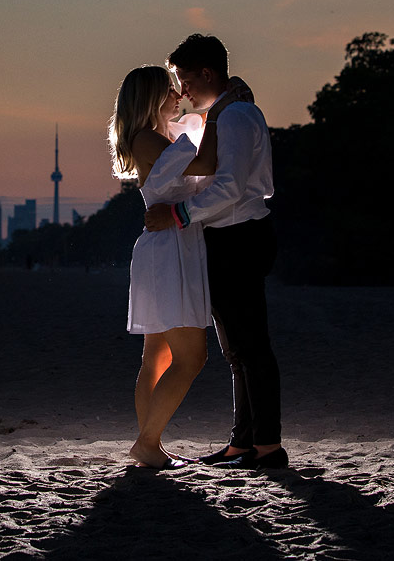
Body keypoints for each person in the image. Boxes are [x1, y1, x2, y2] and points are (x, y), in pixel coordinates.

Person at [144, 34, 285, 471]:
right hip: (225, 238)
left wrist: (178, 214)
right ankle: (243, 443)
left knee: (251, 346)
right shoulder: (224, 114)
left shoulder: (239, 115)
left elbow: (231, 187)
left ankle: (265, 446)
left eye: (185, 80)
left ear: (207, 73)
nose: (182, 91)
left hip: (241, 236)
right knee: (236, 349)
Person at [108, 65, 242, 470]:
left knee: (157, 357)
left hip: (166, 247)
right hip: (170, 251)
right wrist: (218, 113)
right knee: (191, 357)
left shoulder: (154, 137)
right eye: (168, 91)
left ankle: (149, 445)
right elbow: (205, 162)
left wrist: (201, 120)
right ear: (149, 97)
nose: (177, 96)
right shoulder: (147, 139)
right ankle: (147, 442)